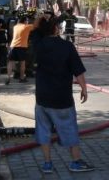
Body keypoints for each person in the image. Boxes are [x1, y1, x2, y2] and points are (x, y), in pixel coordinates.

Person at [32, 16, 94, 173]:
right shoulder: (67, 46)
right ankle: (75, 162)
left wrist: (42, 20)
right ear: (56, 29)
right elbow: (78, 71)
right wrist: (84, 89)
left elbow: (35, 30)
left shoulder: (38, 45)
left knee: (43, 130)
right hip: (62, 98)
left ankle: (47, 164)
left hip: (42, 98)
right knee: (69, 129)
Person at [6, 14, 34, 85]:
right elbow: (36, 26)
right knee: (22, 62)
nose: (28, 21)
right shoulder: (26, 26)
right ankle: (21, 78)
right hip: (22, 47)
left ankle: (8, 77)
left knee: (10, 62)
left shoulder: (15, 27)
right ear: (25, 21)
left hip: (13, 46)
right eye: (27, 20)